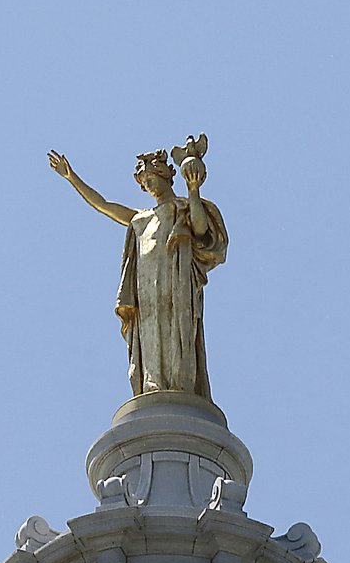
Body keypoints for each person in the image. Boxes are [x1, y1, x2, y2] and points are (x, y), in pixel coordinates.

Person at [49, 137, 228, 399]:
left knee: (178, 328)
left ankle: (180, 384)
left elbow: (200, 229)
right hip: (145, 286)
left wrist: (193, 190)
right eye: (144, 184)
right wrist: (72, 177)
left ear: (165, 176)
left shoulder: (183, 208)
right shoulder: (140, 219)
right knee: (149, 331)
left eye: (151, 180)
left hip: (175, 279)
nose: (148, 187)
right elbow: (104, 205)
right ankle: (152, 382)